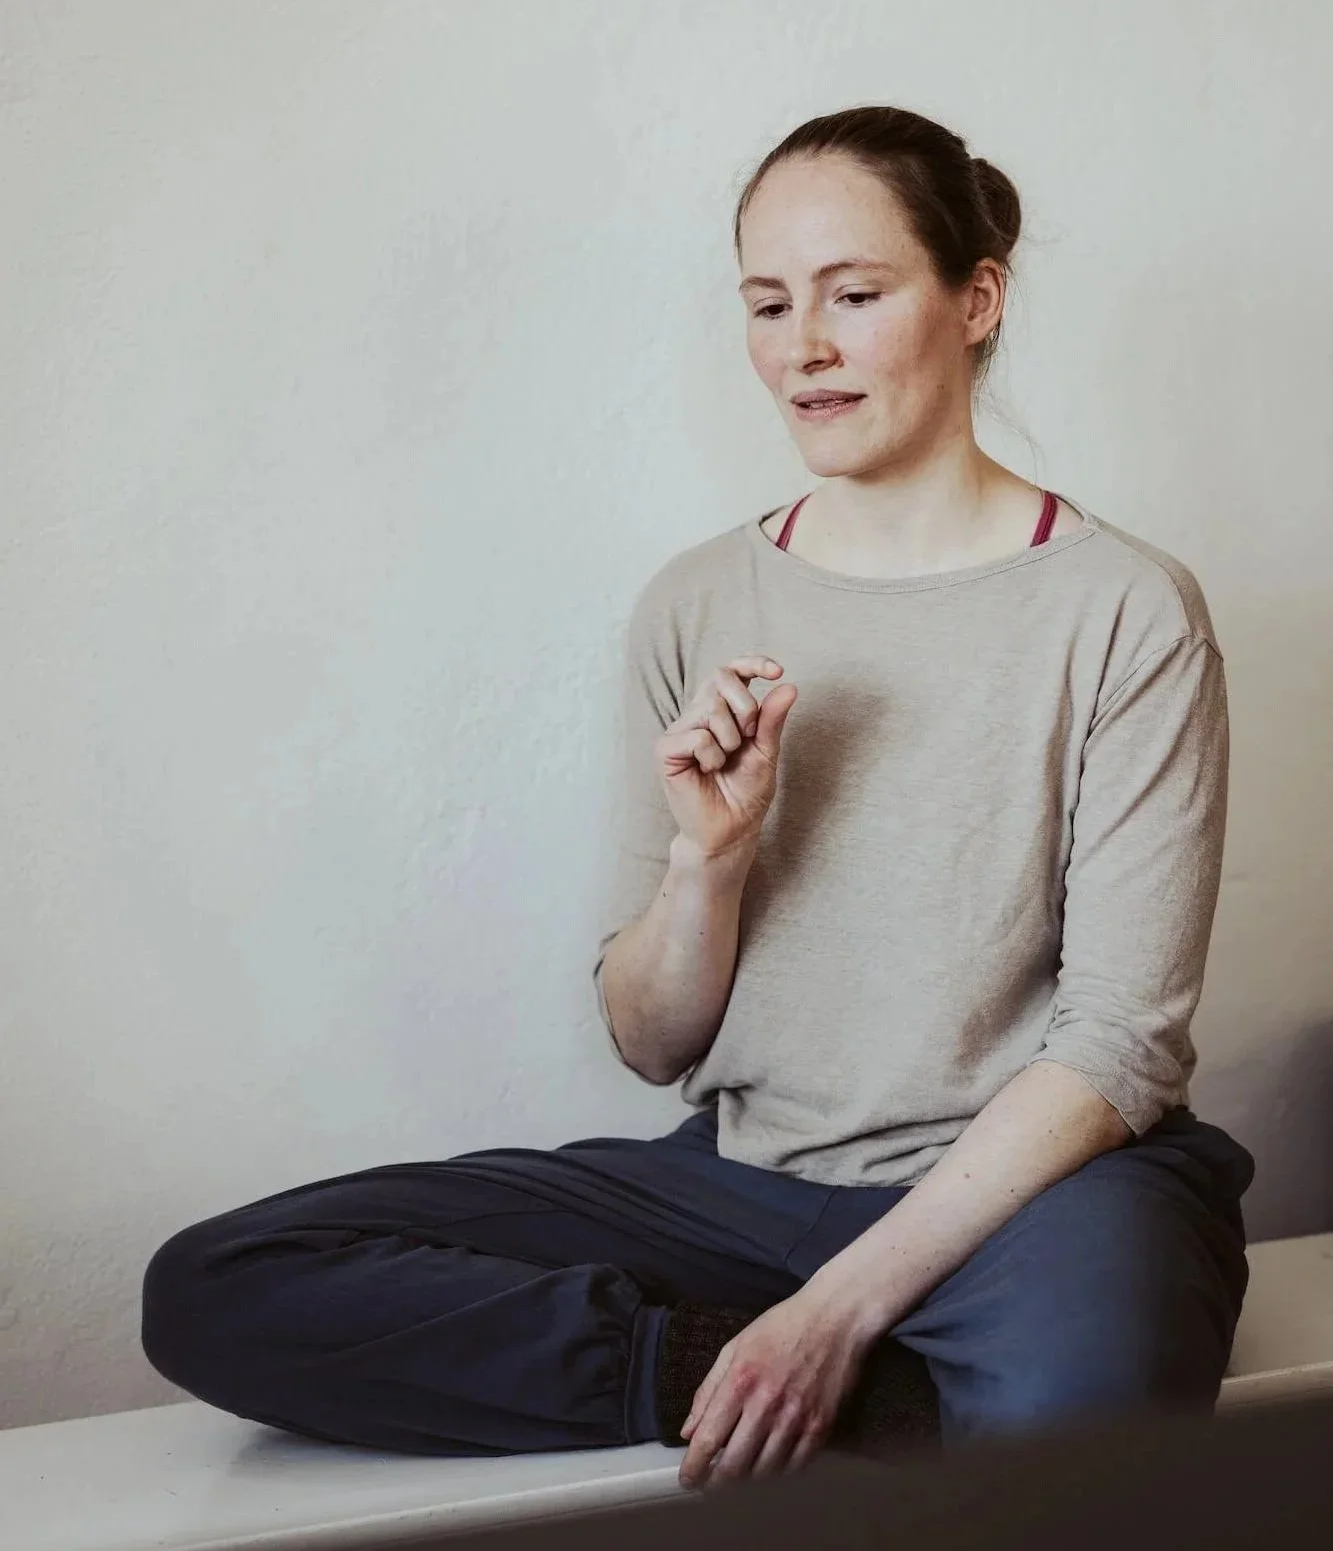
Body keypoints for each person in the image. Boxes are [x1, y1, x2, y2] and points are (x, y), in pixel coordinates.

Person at [141, 105, 1254, 1491]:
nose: (803, 347)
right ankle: (747, 1376)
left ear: (976, 300)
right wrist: (707, 863)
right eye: (769, 304)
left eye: (855, 295)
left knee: (1083, 1424)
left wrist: (833, 1308)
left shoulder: (1126, 610)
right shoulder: (695, 600)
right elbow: (650, 1042)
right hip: (741, 1188)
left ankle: (880, 1359)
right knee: (218, 1285)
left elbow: (1120, 1048)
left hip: (1037, 1196)